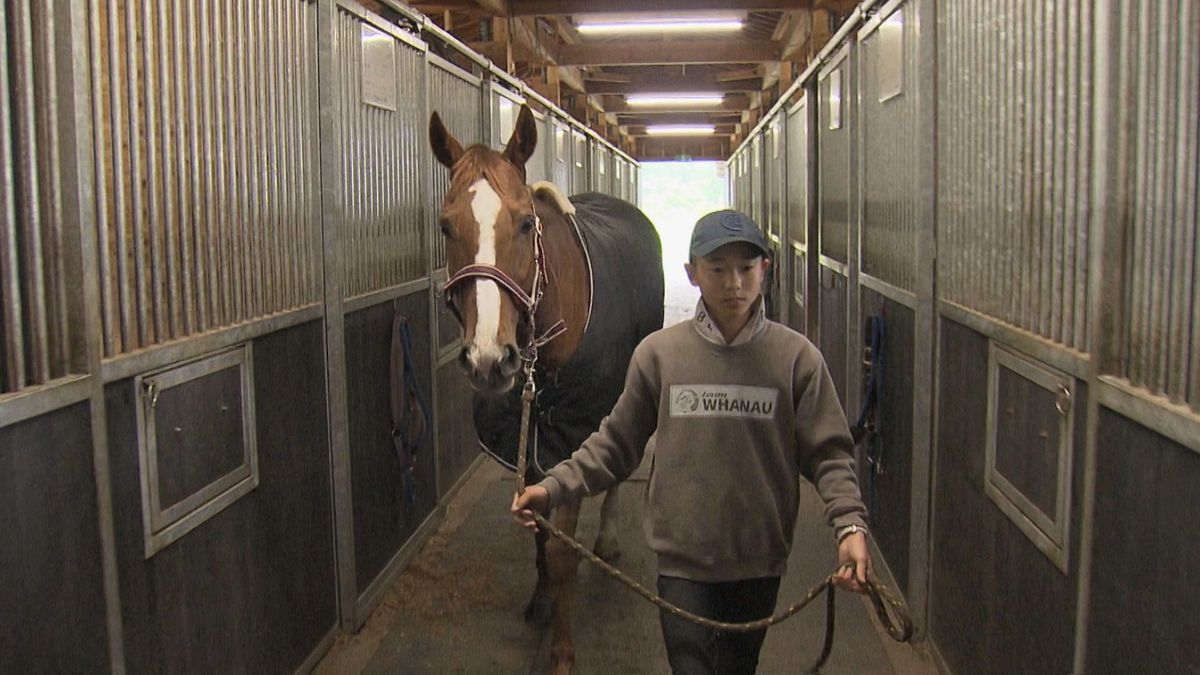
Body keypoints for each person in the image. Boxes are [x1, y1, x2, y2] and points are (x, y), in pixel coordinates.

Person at [511, 209, 871, 675]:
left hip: (758, 560)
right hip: (682, 562)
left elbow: (830, 455)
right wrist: (553, 487)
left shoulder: (796, 359)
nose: (733, 283)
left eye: (746, 268)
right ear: (692, 274)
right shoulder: (660, 355)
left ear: (766, 269)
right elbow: (615, 443)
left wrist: (850, 528)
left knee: (740, 666)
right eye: (717, 269)